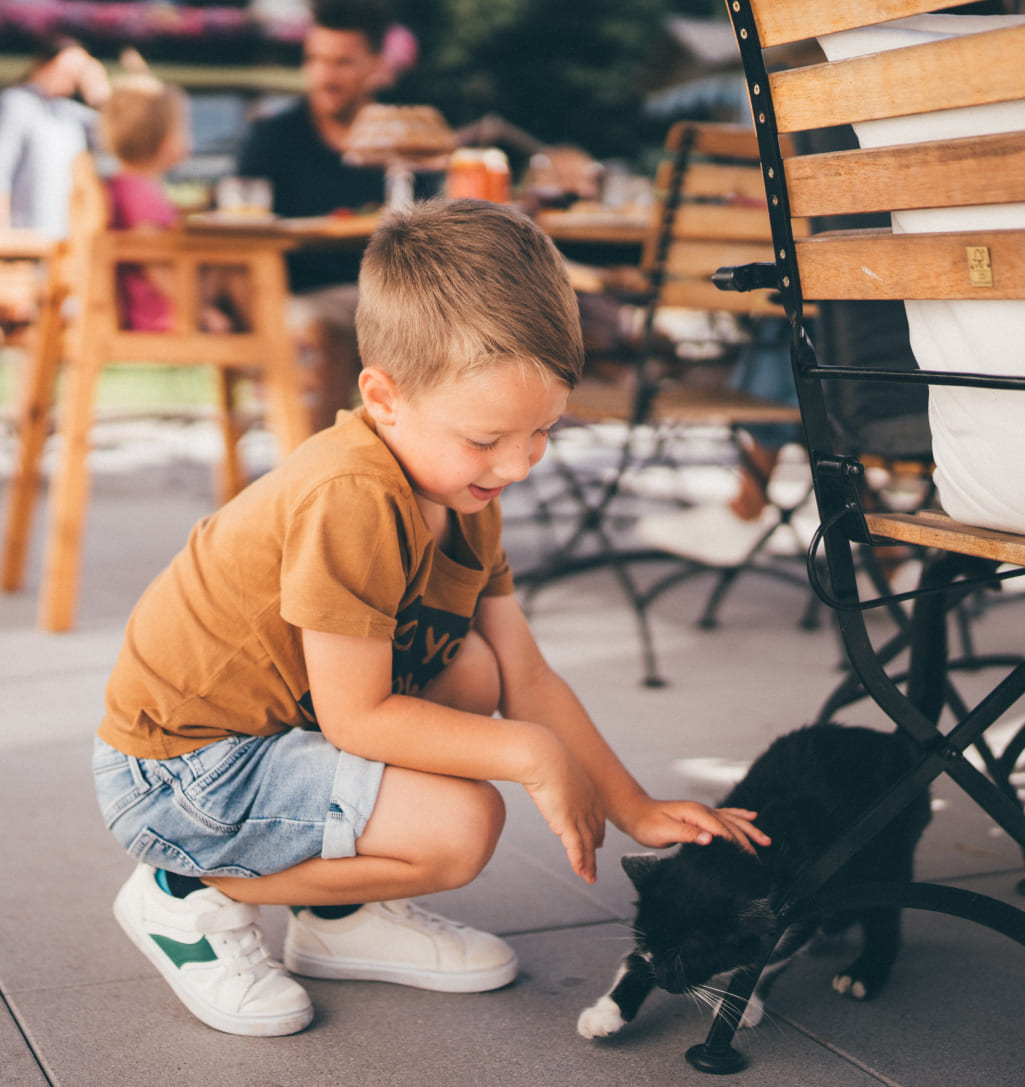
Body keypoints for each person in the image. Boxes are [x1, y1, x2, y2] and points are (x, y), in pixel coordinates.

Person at [92, 198, 769, 1038]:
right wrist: (531, 752)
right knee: (462, 825)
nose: (518, 463)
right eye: (487, 437)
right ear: (383, 396)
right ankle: (182, 893)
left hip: (277, 737)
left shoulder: (457, 484)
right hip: (183, 772)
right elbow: (356, 716)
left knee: (477, 664)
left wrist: (630, 804)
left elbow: (523, 673)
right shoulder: (352, 494)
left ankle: (339, 919)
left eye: (543, 431)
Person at [235, 0, 403, 430]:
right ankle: (314, 477)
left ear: (376, 66)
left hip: (383, 294)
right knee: (331, 329)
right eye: (315, 60)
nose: (325, 76)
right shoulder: (273, 139)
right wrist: (258, 317)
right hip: (294, 296)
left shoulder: (402, 141)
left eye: (342, 63)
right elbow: (237, 233)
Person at [100, 72, 245, 333]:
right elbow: (154, 264)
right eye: (183, 127)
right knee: (243, 263)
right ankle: (275, 356)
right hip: (161, 315)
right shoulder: (140, 194)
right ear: (167, 141)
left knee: (234, 263)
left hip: (152, 308)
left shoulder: (125, 185)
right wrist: (199, 312)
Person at [0, 35, 110, 238]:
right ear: (45, 64)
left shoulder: (68, 112)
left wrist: (99, 93)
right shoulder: (17, 103)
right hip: (25, 237)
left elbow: (117, 143)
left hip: (63, 239)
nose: (73, 76)